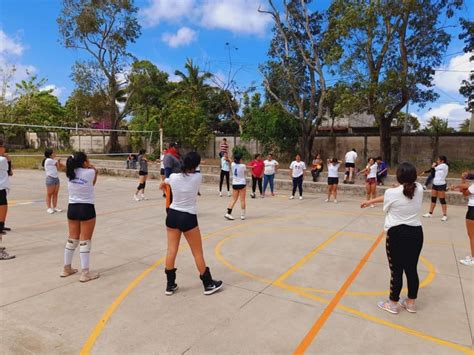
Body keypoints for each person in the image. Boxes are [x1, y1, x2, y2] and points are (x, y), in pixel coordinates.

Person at [361, 162, 424, 314]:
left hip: (397, 233)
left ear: (399, 177)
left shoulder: (392, 192)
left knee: (396, 270)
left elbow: (389, 200)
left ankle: (393, 303)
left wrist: (395, 188)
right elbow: (404, 190)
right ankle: (410, 303)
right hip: (416, 233)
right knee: (411, 269)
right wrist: (370, 201)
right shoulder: (419, 188)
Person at [160, 152, 223, 295]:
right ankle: (208, 284)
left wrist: (162, 184)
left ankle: (170, 285)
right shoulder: (197, 177)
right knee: (197, 253)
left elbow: (165, 181)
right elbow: (192, 172)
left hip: (172, 215)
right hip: (188, 217)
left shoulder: (174, 177)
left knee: (171, 251)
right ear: (195, 165)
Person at [62, 152, 99, 282]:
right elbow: (92, 184)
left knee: (72, 239)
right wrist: (92, 168)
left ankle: (67, 268)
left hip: (72, 207)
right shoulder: (90, 172)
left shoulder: (70, 172)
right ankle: (85, 273)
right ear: (84, 162)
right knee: (85, 240)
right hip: (86, 207)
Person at [450, 182, 474, 266]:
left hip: (472, 210)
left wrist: (458, 187)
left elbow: (465, 192)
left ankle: (473, 259)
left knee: (472, 236)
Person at [423, 156, 449, 221]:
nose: (437, 161)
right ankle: (430, 213)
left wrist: (433, 166)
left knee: (442, 200)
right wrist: (432, 168)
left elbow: (433, 169)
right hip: (435, 184)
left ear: (442, 161)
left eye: (438, 160)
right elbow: (433, 172)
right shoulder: (438, 167)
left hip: (441, 184)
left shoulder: (444, 166)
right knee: (433, 199)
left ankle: (444, 215)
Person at [0, 141, 14, 260]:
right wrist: (8, 160)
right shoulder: (2, 160)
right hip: (0, 191)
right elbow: (10, 172)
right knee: (0, 222)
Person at [225, 154, 247, 220]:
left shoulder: (233, 165)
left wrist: (227, 157)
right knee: (242, 200)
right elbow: (244, 173)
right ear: (240, 159)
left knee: (233, 199)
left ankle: (228, 213)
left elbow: (231, 161)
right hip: (242, 183)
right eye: (241, 159)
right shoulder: (243, 166)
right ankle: (242, 215)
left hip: (235, 184)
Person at [43, 148, 64, 214]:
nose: (55, 153)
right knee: (49, 194)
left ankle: (55, 207)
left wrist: (58, 162)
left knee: (55, 193)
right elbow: (59, 166)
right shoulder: (49, 160)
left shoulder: (52, 160)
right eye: (53, 153)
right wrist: (58, 161)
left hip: (56, 178)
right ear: (50, 155)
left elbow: (58, 167)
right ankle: (49, 208)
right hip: (50, 178)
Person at [163, 142, 182, 212]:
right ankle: (169, 211)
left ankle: (176, 210)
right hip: (172, 181)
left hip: (178, 181)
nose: (177, 149)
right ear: (171, 147)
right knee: (170, 197)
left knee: (176, 198)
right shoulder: (169, 156)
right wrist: (168, 181)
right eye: (176, 147)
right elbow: (167, 169)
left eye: (178, 147)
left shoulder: (176, 155)